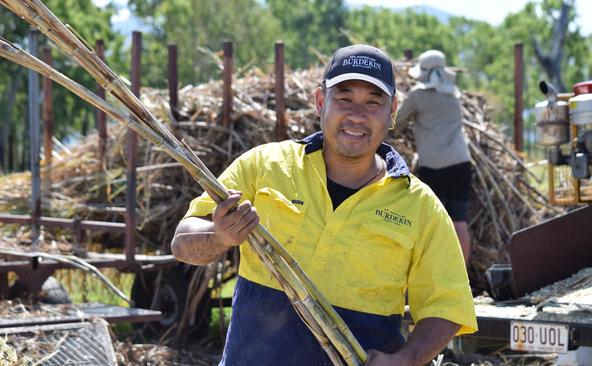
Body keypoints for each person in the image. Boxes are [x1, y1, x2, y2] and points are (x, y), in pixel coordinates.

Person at [171, 44, 477, 366]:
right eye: (344, 98)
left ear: (393, 113)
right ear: (321, 101)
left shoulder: (420, 207)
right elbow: (182, 244)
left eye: (373, 102)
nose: (357, 115)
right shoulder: (264, 166)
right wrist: (219, 236)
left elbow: (446, 305)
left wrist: (407, 359)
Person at [395, 49, 472, 263]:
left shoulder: (417, 96)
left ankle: (435, 273)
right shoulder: (453, 94)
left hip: (434, 166)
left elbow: (395, 122)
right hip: (462, 163)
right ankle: (462, 276)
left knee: (432, 222)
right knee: (459, 221)